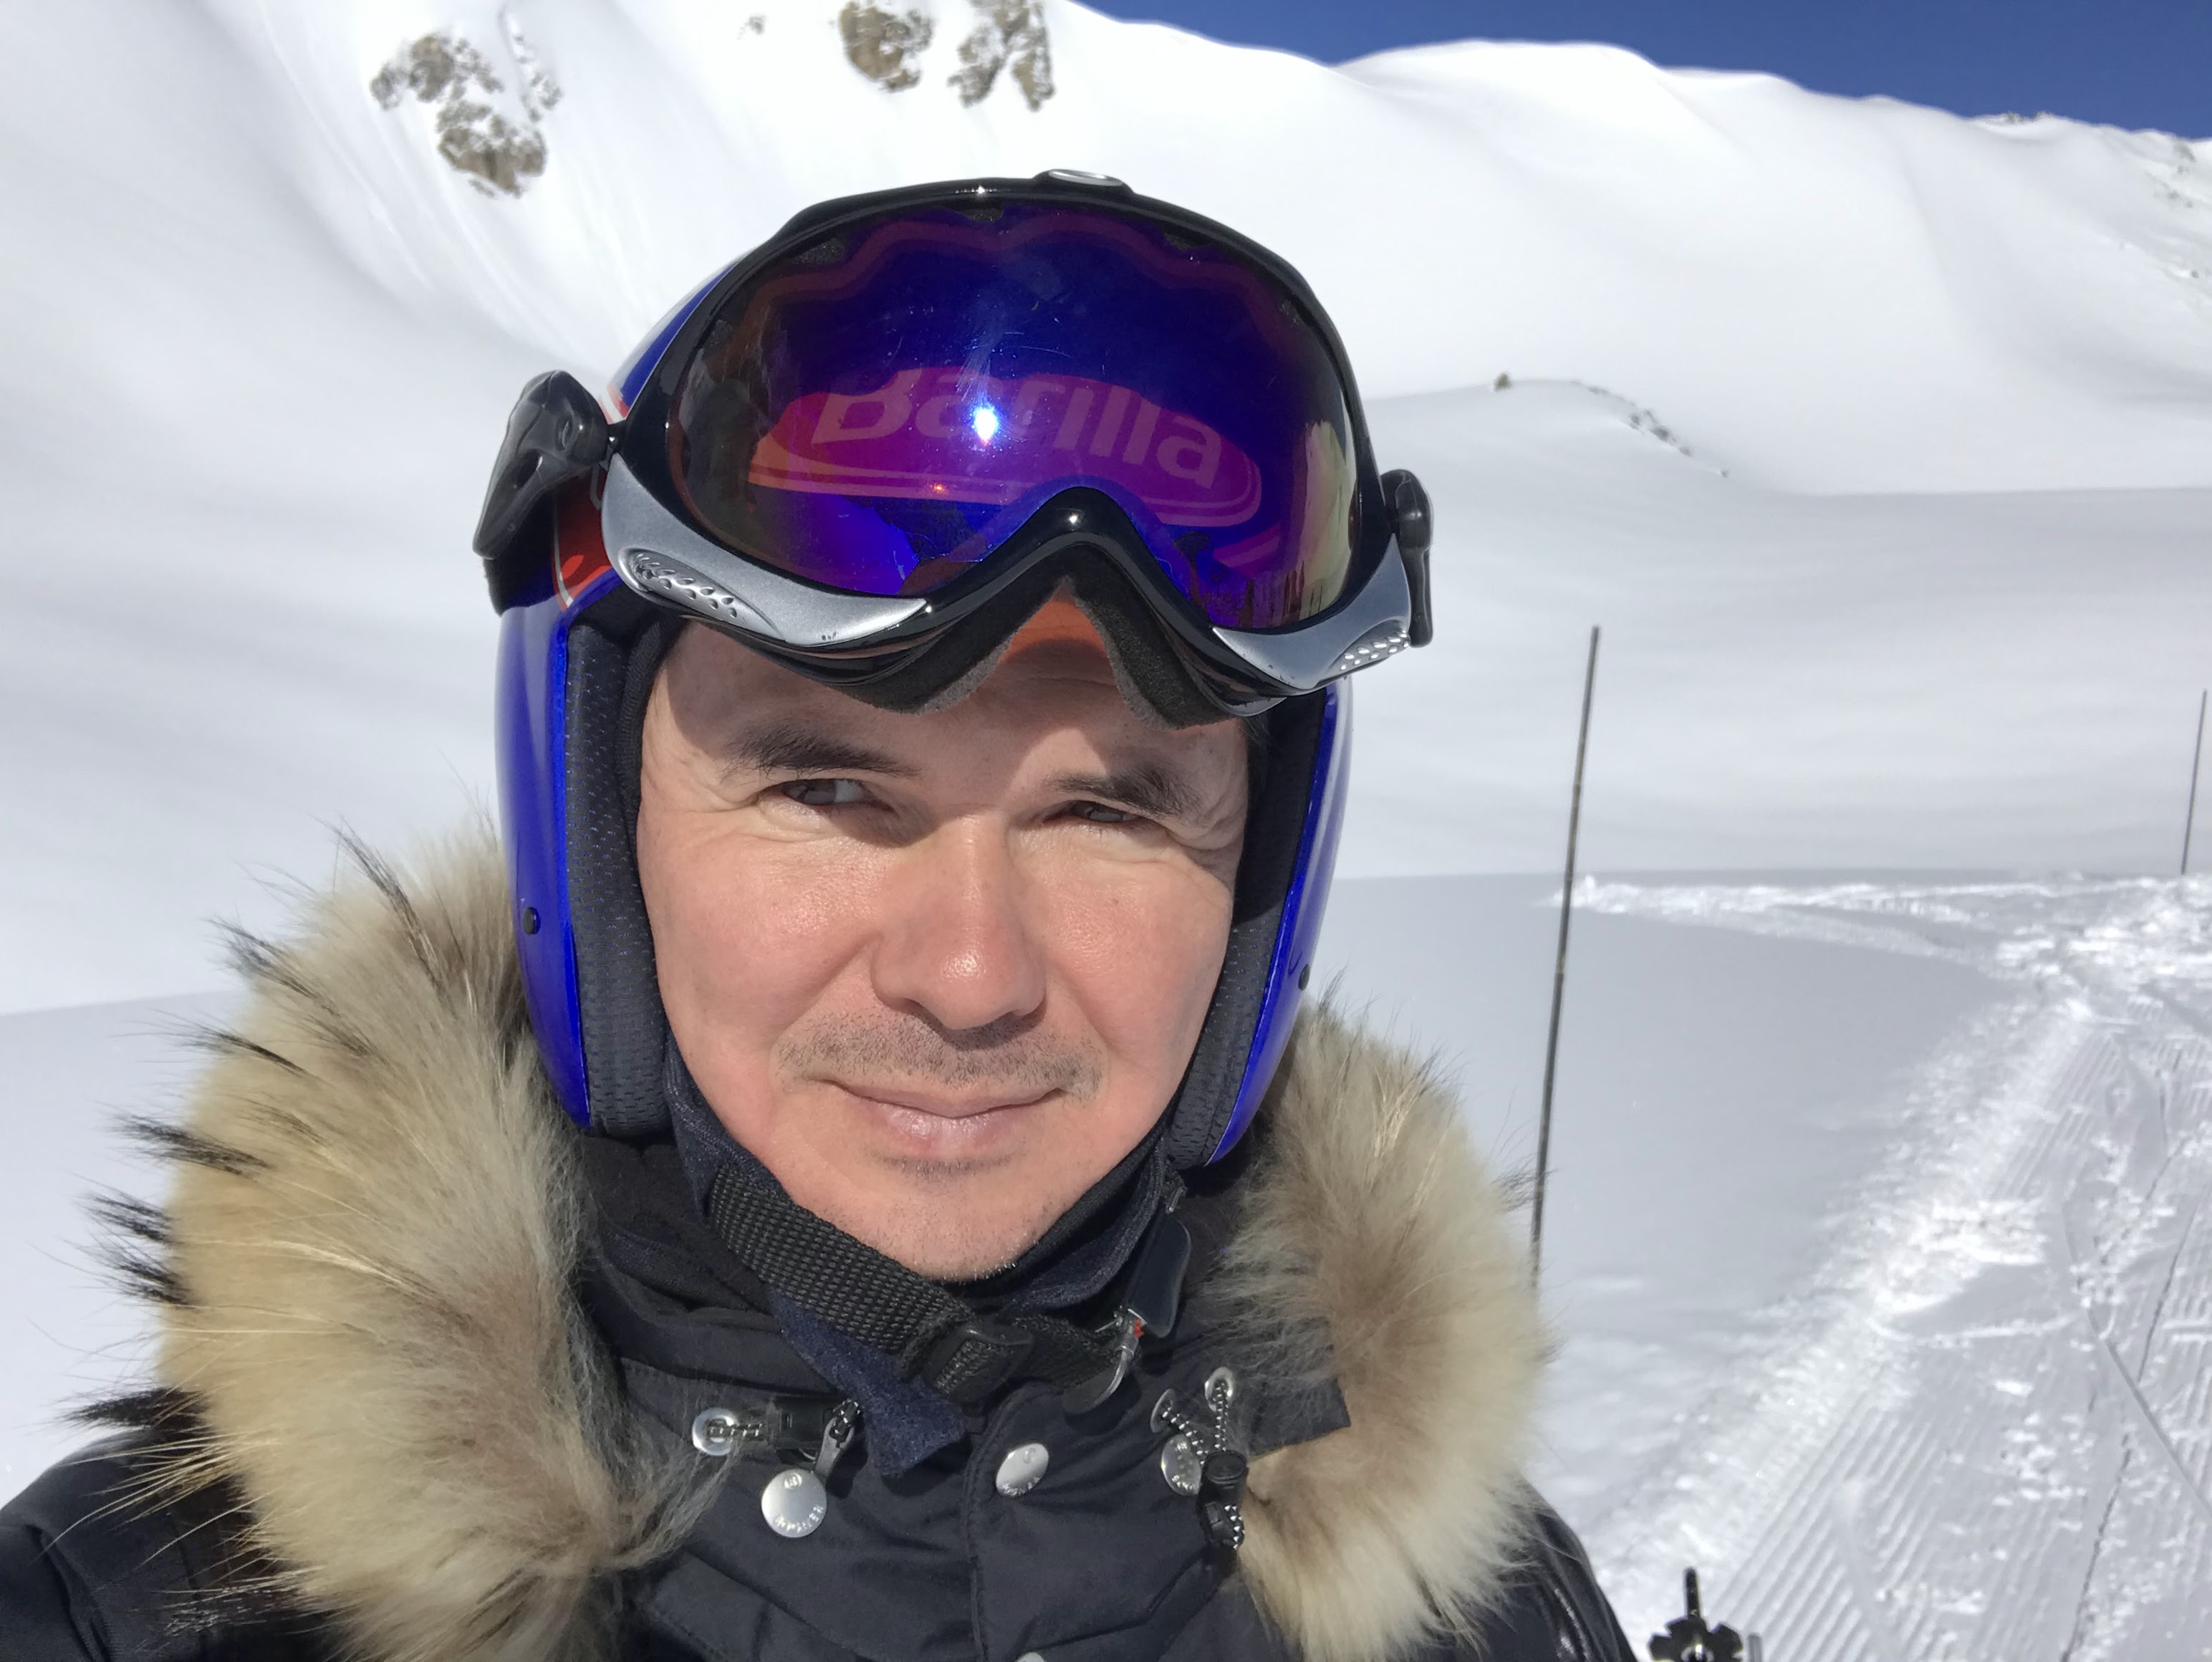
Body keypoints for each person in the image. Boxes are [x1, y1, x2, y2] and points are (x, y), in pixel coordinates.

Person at [0, 171, 1635, 1661]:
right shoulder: (154, 1619)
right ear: (602, 836)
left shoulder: (1482, 1611)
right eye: (830, 789)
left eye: (1107, 810)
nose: (971, 976)